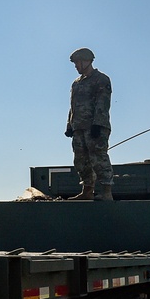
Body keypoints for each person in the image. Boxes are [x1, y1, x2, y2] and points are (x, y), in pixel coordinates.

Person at [65, 47, 113, 201]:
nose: (76, 67)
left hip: (95, 127)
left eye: (78, 63)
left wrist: (98, 125)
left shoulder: (101, 79)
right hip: (79, 127)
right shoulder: (76, 84)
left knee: (99, 158)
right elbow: (73, 105)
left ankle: (106, 192)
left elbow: (103, 103)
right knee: (80, 160)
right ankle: (87, 191)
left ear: (87, 61)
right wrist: (69, 125)